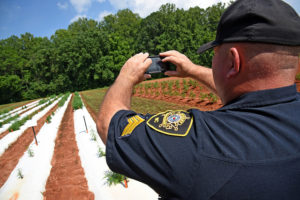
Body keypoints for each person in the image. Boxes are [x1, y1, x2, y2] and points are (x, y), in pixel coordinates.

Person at [97, 0, 300, 199]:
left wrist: (126, 77)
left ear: (232, 61)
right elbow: (247, 88)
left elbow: (110, 125)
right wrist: (192, 70)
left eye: (215, 52)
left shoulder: (200, 144)